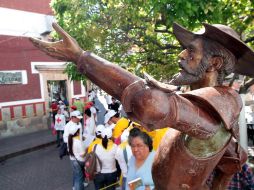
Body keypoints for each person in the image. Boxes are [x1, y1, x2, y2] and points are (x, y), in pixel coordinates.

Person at [30, 22, 254, 189]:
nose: (181, 55)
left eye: (192, 51)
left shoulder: (221, 102)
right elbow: (235, 160)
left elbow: (151, 104)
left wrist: (81, 57)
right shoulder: (206, 102)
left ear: (215, 63)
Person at [67, 124, 87, 190]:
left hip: (72, 160)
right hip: (79, 161)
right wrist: (86, 150)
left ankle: (75, 187)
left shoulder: (70, 140)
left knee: (77, 176)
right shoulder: (78, 142)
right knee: (80, 178)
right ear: (77, 133)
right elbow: (82, 155)